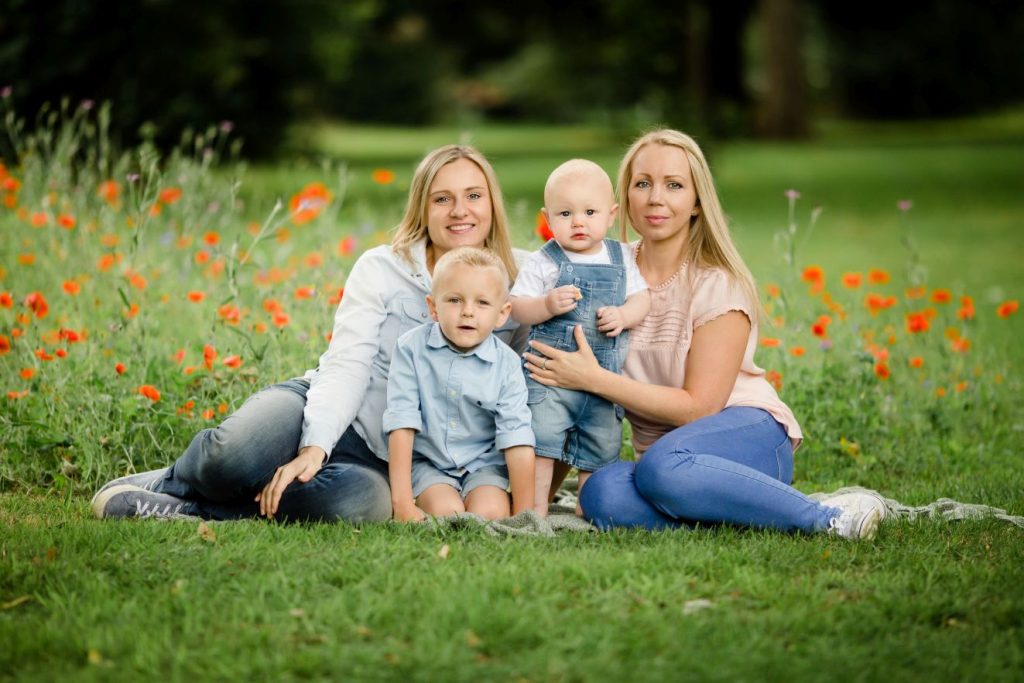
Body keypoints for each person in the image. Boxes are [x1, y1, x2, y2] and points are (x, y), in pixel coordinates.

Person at [91, 144, 528, 523]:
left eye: (474, 195)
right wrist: (315, 446)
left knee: (355, 505)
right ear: (422, 208)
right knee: (234, 454)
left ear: (492, 203)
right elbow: (347, 364)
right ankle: (174, 481)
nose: (460, 211)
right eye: (442, 199)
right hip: (323, 404)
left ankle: (195, 510)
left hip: (391, 459)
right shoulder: (384, 268)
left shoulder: (521, 281)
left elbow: (531, 385)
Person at [522, 129, 888, 539]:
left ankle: (827, 517)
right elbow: (568, 392)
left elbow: (700, 408)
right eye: (643, 184)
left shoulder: (718, 284)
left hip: (745, 435)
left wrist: (594, 380)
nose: (655, 198)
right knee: (600, 494)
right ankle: (744, 512)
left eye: (674, 185)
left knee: (663, 466)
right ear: (623, 198)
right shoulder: (607, 270)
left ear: (697, 201)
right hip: (663, 461)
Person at [510, 159, 650, 515]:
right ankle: (534, 509)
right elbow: (517, 307)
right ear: (547, 218)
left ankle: (588, 510)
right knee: (541, 443)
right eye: (565, 213)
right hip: (549, 379)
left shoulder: (620, 257)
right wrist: (545, 305)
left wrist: (624, 315)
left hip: (602, 382)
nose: (578, 222)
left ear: (611, 214)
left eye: (590, 212)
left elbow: (642, 298)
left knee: (599, 449)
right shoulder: (544, 260)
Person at [385, 246, 536, 522]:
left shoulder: (507, 364)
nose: (467, 312)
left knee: (490, 512)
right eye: (454, 300)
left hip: (484, 465)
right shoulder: (410, 349)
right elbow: (401, 424)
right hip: (430, 464)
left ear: (502, 314)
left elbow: (516, 436)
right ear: (433, 307)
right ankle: (433, 498)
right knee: (446, 512)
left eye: (482, 303)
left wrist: (525, 515)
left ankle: (491, 500)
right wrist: (403, 504)